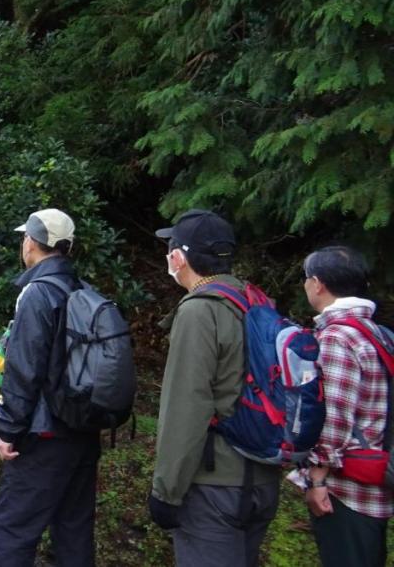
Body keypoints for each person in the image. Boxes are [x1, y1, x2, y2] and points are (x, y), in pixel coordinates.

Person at [149, 210, 280, 567]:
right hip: (263, 479)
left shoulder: (199, 311)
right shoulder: (255, 301)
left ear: (179, 257)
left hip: (214, 487)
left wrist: (166, 491)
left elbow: (186, 408)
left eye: (170, 249)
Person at [0, 209, 100, 567]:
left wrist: (8, 428)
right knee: (74, 533)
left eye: (25, 237)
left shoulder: (37, 293)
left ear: (32, 242)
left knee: (12, 530)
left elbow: (24, 369)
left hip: (42, 435)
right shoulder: (82, 290)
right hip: (82, 429)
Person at [292, 246, 393, 566]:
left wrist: (316, 479)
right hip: (376, 482)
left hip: (347, 492)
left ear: (318, 284)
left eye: (306, 279)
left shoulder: (338, 338)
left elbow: (333, 419)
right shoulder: (379, 333)